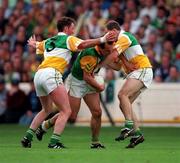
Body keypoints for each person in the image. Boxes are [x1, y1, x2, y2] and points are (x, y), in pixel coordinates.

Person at [21, 17, 117, 149]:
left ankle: (28, 137)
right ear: (66, 28)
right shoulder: (68, 39)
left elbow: (38, 45)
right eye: (72, 27)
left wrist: (34, 43)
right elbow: (83, 45)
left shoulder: (50, 40)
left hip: (39, 75)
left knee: (47, 109)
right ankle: (54, 142)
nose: (73, 30)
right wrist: (102, 39)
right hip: (51, 74)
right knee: (66, 111)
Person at [101, 20, 153, 148]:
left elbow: (113, 55)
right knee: (125, 104)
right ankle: (137, 134)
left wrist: (100, 64)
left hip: (142, 69)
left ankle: (128, 126)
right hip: (138, 72)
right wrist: (105, 61)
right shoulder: (120, 42)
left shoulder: (124, 37)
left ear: (114, 31)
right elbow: (118, 66)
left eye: (108, 33)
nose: (107, 36)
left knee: (122, 94)